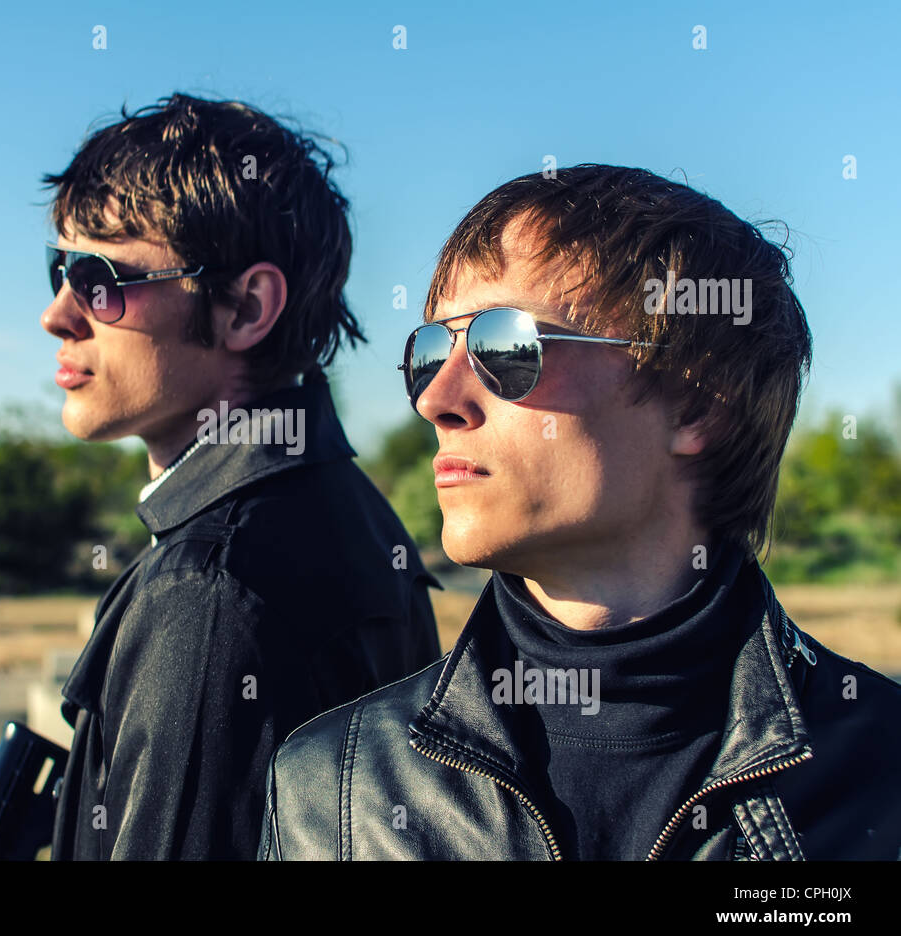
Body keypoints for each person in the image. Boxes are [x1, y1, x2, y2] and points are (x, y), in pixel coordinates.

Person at [259, 164, 901, 861]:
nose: (435, 399)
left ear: (696, 404)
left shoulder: (882, 773)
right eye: (431, 352)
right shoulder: (336, 790)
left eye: (504, 348)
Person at [40, 93, 443, 860]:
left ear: (245, 307)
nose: (58, 312)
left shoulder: (208, 595)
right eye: (57, 269)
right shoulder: (354, 513)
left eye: (99, 277)